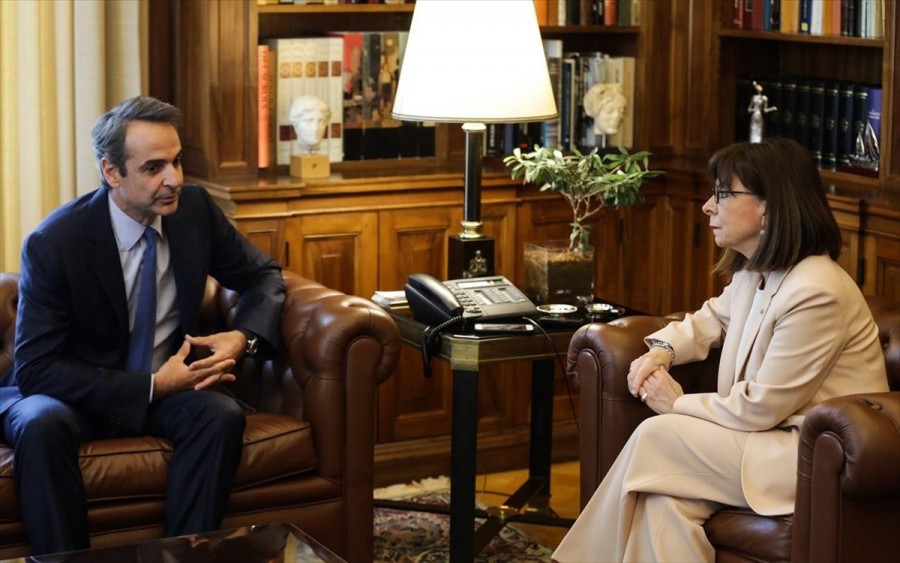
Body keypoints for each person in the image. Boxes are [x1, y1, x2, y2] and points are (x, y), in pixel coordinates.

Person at [552, 138, 889, 562]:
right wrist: (662, 351)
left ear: (769, 207)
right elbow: (709, 319)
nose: (707, 207)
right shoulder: (757, 272)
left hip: (806, 458)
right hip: (755, 442)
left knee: (657, 434)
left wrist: (676, 404)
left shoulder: (816, 290)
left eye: (724, 194)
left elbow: (761, 407)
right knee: (662, 504)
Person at [0, 96, 285, 555]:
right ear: (112, 172)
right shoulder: (55, 242)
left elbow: (263, 275)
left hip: (165, 388)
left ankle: (182, 556)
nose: (174, 179)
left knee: (219, 415)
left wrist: (243, 337)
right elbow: (36, 369)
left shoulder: (194, 211)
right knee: (40, 423)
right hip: (71, 396)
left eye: (176, 161)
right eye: (154, 168)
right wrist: (152, 386)